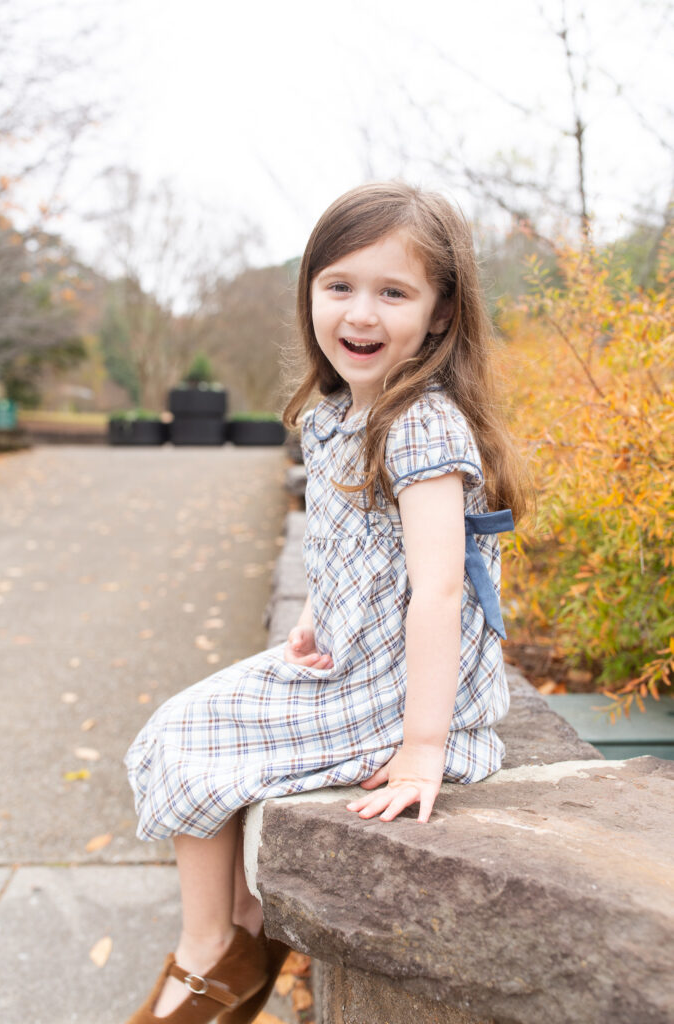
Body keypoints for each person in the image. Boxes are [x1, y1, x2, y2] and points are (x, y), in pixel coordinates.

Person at [123, 181, 528, 1023]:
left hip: (398, 690)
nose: (361, 312)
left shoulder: (420, 425)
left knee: (191, 743)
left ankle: (216, 955)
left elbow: (439, 588)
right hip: (353, 653)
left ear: (441, 313)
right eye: (339, 285)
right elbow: (347, 545)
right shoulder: (335, 415)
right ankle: (236, 926)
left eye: (393, 291)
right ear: (309, 291)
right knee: (179, 726)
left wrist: (421, 748)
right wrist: (318, 610)